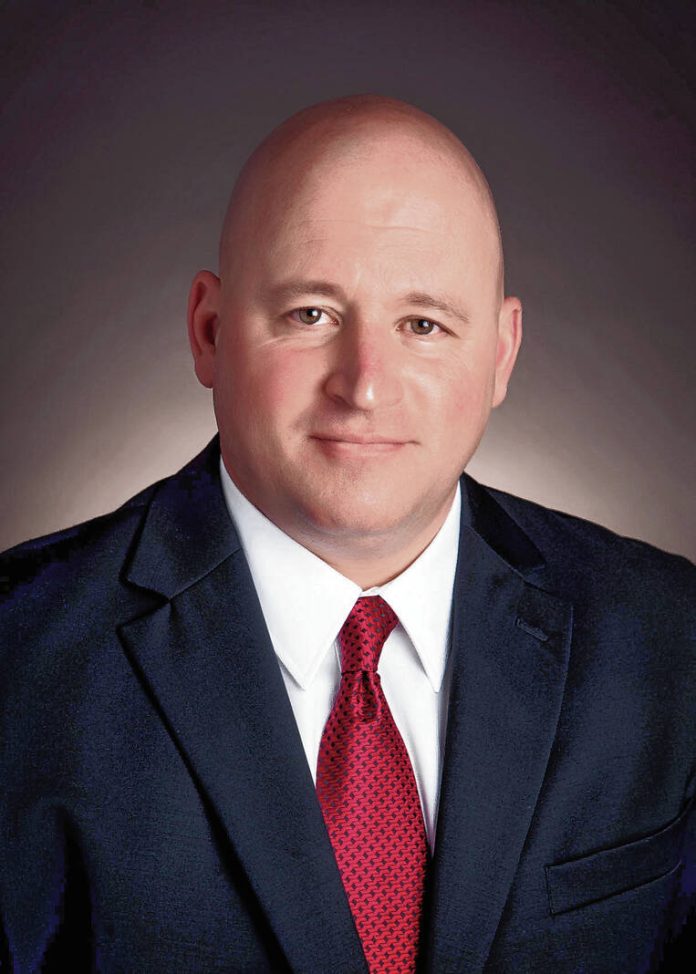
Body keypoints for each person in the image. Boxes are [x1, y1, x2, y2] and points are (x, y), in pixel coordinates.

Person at [0, 94, 694, 974]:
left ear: (501, 354)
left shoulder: (670, 640)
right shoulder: (19, 660)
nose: (364, 385)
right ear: (209, 333)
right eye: (311, 315)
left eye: (423, 325)